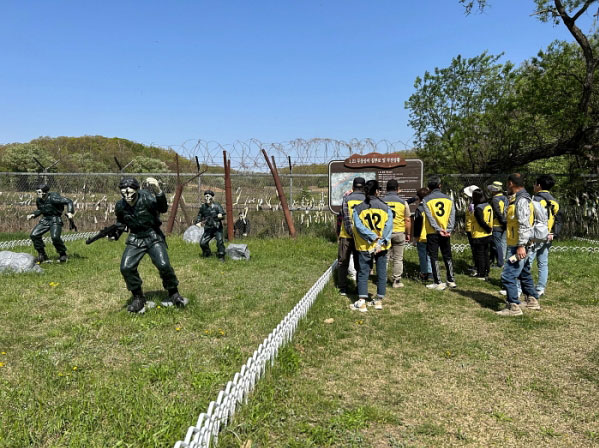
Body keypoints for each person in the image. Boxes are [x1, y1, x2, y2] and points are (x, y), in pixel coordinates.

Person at [115, 177, 188, 313]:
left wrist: (158, 191)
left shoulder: (147, 198)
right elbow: (120, 222)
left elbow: (163, 208)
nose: (127, 196)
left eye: (130, 192)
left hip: (153, 235)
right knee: (126, 267)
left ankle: (173, 292)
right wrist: (115, 233)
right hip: (135, 238)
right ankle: (138, 297)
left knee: (164, 265)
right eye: (124, 192)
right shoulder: (120, 205)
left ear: (136, 190)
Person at [496, 173, 540, 316]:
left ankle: (513, 306)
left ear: (511, 183)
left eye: (507, 184)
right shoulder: (519, 198)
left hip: (519, 244)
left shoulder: (521, 200)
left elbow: (524, 224)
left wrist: (521, 245)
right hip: (520, 243)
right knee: (524, 273)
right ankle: (532, 300)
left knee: (508, 275)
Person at [351, 180, 393, 311]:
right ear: (377, 191)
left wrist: (371, 236)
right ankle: (379, 300)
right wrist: (380, 241)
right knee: (381, 272)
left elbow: (358, 226)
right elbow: (388, 226)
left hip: (365, 245)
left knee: (363, 272)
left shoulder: (358, 208)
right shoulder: (386, 207)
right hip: (381, 246)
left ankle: (362, 301)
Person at [528, 174, 561, 297]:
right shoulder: (554, 201)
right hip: (548, 235)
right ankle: (540, 288)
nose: (533, 186)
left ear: (539, 185)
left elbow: (530, 218)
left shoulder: (535, 200)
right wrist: (554, 233)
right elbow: (559, 219)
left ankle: (522, 286)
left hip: (536, 235)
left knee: (527, 261)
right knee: (543, 262)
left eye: (535, 184)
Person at [422, 175, 456, 290]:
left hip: (433, 232)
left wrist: (438, 229)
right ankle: (451, 280)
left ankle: (438, 281)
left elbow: (430, 217)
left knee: (434, 256)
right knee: (447, 256)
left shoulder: (426, 199)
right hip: (446, 231)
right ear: (440, 186)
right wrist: (448, 229)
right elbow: (452, 215)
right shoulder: (449, 199)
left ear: (428, 188)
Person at [27, 183, 75, 263]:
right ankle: (42, 255)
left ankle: (62, 254)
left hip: (55, 219)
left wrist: (70, 212)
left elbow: (69, 201)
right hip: (45, 219)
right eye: (37, 192)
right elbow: (41, 209)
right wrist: (33, 214)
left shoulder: (54, 198)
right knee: (34, 235)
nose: (37, 194)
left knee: (55, 237)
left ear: (44, 192)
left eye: (39, 192)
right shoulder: (39, 200)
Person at [337, 177, 365, 296]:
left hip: (346, 235)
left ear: (353, 187)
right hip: (361, 237)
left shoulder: (346, 199)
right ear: (363, 187)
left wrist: (348, 231)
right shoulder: (366, 200)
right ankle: (360, 287)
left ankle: (342, 287)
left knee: (343, 261)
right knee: (360, 263)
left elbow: (344, 216)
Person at [382, 179, 411, 288]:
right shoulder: (403, 202)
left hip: (385, 232)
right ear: (397, 189)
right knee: (398, 258)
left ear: (386, 189)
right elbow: (407, 219)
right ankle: (396, 281)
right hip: (399, 232)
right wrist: (408, 233)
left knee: (384, 257)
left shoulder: (381, 201)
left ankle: (382, 279)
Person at [195, 190, 227, 261]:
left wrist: (220, 216)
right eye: (206, 196)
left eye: (208, 196)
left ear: (212, 197)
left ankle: (221, 255)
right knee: (202, 243)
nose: (207, 198)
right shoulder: (203, 207)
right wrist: (198, 221)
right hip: (208, 228)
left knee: (220, 242)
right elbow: (199, 215)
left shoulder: (217, 205)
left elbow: (222, 215)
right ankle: (207, 253)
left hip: (217, 228)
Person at [470, 188, 493, 280]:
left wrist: (487, 228)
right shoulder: (488, 205)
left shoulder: (478, 208)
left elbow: (481, 221)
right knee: (485, 253)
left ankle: (481, 273)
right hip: (487, 234)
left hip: (479, 234)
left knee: (480, 254)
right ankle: (487, 271)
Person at [413, 187, 432, 282]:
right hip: (431, 234)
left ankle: (424, 273)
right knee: (431, 255)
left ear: (418, 198)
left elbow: (417, 225)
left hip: (422, 236)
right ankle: (431, 273)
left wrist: (415, 237)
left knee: (422, 255)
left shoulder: (419, 209)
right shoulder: (431, 207)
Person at [487, 181, 508, 268]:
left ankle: (500, 263)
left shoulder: (495, 199)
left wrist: (501, 222)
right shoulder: (505, 198)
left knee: (497, 244)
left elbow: (498, 213)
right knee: (497, 244)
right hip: (504, 224)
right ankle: (493, 260)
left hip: (496, 225)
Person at [463, 185, 478, 274]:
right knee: (474, 248)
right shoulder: (474, 203)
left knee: (475, 248)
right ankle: (476, 265)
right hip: (471, 228)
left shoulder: (473, 205)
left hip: (471, 229)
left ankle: (477, 266)